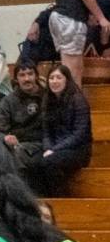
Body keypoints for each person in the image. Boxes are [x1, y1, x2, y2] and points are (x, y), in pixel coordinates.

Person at [22, 63, 92, 197]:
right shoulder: (48, 101)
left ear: (67, 80)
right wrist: (49, 148)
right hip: (55, 149)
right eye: (51, 78)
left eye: (59, 77)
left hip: (78, 150)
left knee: (49, 163)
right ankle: (42, 203)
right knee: (31, 165)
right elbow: (46, 132)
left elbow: (79, 134)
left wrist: (54, 150)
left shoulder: (78, 100)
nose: (54, 81)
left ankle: (62, 201)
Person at [0, 62, 44, 170]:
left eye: (30, 74)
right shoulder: (8, 101)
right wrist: (5, 138)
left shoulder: (48, 97)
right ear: (16, 79)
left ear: (37, 76)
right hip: (19, 146)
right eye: (22, 75)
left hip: (44, 145)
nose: (27, 79)